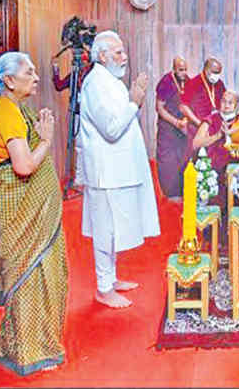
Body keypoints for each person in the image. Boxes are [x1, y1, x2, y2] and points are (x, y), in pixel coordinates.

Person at [0, 52, 68, 376]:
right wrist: (46, 140)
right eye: (29, 73)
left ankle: (32, 345)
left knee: (45, 274)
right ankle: (29, 352)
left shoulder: (17, 107)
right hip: (21, 208)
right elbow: (24, 166)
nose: (36, 77)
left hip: (36, 210)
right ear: (8, 80)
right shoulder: (6, 112)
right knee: (31, 276)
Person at [78, 30, 160, 309]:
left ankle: (111, 280)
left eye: (123, 51)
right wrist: (134, 100)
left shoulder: (109, 81)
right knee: (105, 231)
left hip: (117, 170)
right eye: (118, 53)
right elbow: (112, 129)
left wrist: (135, 100)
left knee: (113, 230)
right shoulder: (95, 84)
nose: (125, 57)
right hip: (105, 173)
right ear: (102, 56)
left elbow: (123, 119)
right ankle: (103, 289)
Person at [192, 89, 239, 224]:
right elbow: (195, 144)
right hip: (213, 171)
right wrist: (217, 136)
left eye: (230, 102)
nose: (226, 105)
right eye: (223, 101)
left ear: (237, 106)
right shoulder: (211, 120)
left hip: (236, 171)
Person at [155, 56, 189, 201]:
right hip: (168, 129)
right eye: (180, 70)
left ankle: (183, 192)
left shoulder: (187, 81)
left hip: (182, 130)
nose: (184, 73)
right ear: (174, 69)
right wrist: (176, 122)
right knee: (168, 162)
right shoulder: (166, 82)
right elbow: (159, 108)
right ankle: (170, 194)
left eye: (185, 69)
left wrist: (186, 121)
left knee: (182, 159)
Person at [181, 57, 226, 141]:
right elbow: (183, 107)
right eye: (214, 72)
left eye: (218, 73)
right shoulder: (194, 83)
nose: (216, 75)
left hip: (216, 128)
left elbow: (225, 102)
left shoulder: (219, 84)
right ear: (206, 70)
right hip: (197, 128)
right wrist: (199, 124)